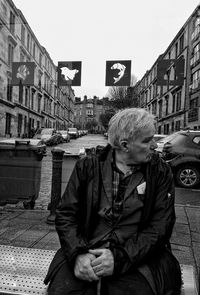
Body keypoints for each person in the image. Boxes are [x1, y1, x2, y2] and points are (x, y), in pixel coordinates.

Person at [44, 108, 182, 295]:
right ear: (125, 145)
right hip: (87, 250)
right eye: (147, 140)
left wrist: (120, 258)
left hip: (138, 257)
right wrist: (77, 254)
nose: (155, 146)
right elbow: (66, 214)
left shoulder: (160, 172)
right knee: (63, 291)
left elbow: (160, 227)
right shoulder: (88, 167)